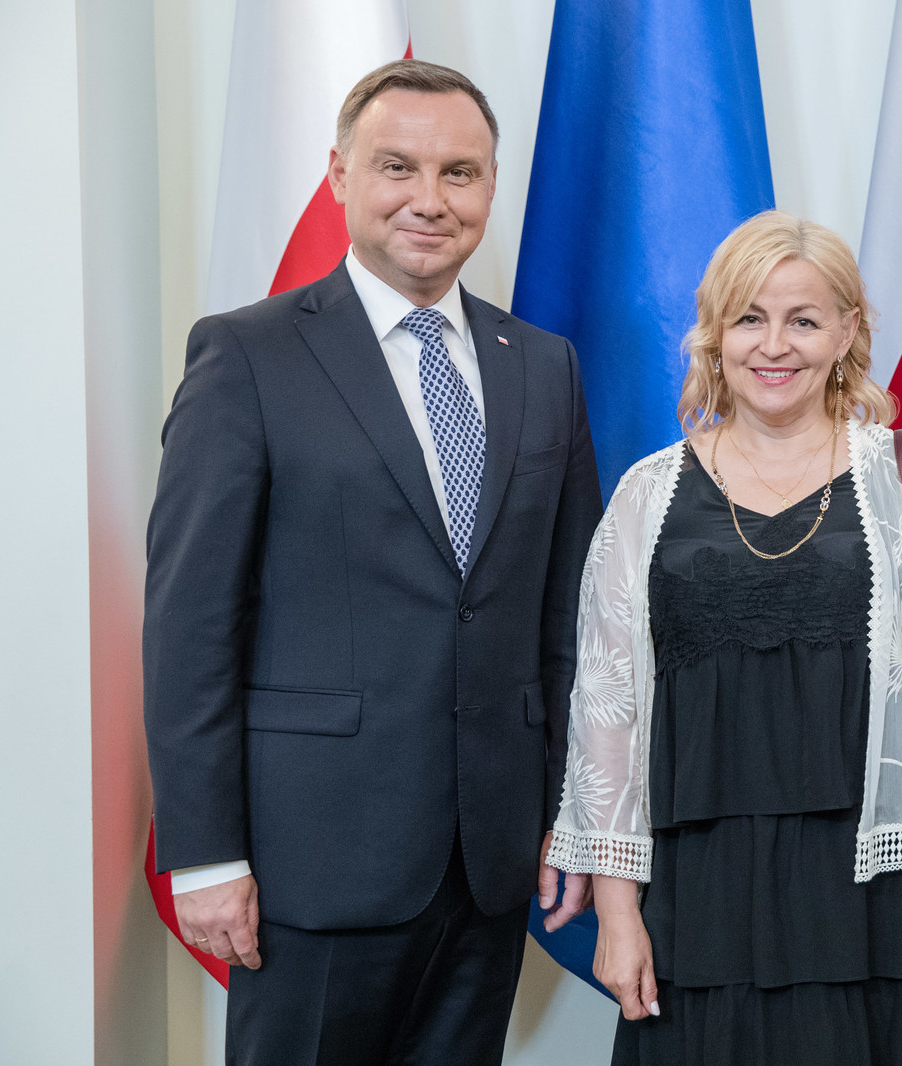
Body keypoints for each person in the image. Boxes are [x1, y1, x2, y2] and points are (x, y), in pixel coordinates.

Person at [143, 59, 601, 1064]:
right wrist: (205, 853)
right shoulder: (247, 357)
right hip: (310, 861)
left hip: (490, 860)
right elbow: (191, 626)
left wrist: (573, 811)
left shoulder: (545, 366)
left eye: (459, 172)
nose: (430, 199)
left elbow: (569, 620)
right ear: (340, 174)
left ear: (490, 186)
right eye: (398, 166)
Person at [547, 210, 902, 1065]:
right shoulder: (647, 495)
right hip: (698, 895)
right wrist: (616, 914)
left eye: (803, 320)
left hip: (882, 894)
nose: (775, 345)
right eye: (749, 319)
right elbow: (606, 717)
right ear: (714, 333)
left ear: (846, 332)